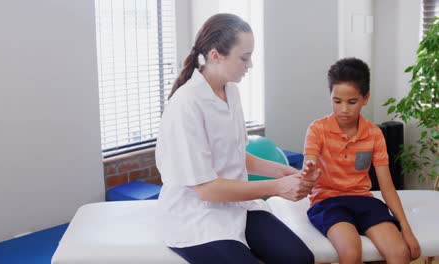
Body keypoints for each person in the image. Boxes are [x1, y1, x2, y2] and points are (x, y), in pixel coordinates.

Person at [155, 13, 319, 264]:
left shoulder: (230, 91)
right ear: (215, 55)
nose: (250, 64)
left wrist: (284, 172)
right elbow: (206, 189)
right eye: (244, 57)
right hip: (196, 217)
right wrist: (276, 188)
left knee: (299, 259)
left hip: (235, 205)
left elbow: (236, 154)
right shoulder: (186, 105)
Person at [303, 57, 421, 264]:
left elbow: (387, 187)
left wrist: (406, 229)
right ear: (330, 96)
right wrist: (309, 176)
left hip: (363, 200)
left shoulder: (374, 134)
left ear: (365, 98)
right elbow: (308, 166)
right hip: (327, 202)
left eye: (352, 102)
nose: (344, 110)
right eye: (337, 101)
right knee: (350, 253)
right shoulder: (317, 129)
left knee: (400, 253)